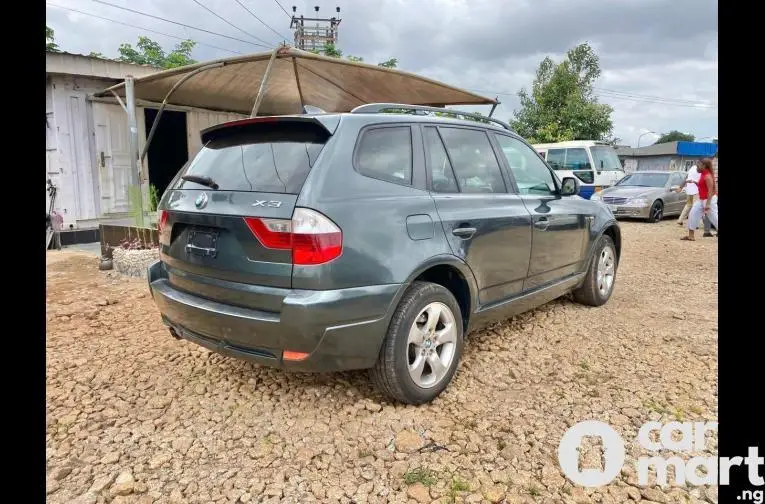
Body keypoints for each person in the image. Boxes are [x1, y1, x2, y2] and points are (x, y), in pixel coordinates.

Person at [682, 158, 718, 241]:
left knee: (715, 219)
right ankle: (691, 236)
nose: (697, 168)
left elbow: (710, 191)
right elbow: (702, 186)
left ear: (704, 166)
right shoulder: (703, 174)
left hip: (709, 200)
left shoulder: (708, 176)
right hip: (701, 199)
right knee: (692, 214)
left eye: (698, 166)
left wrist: (708, 204)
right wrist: (694, 182)